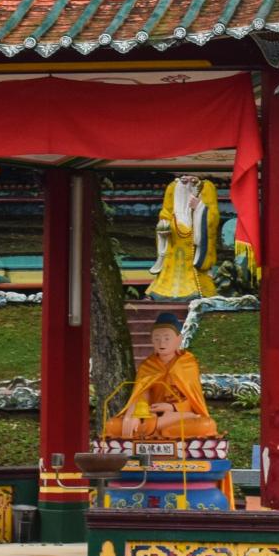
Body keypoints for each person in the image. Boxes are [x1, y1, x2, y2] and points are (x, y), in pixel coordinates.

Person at [109, 313, 219, 441]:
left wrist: (173, 407)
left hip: (180, 416)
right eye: (157, 338)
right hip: (151, 414)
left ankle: (155, 429)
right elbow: (142, 395)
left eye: (167, 338)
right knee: (112, 426)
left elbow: (193, 399)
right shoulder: (147, 366)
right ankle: (161, 430)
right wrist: (133, 415)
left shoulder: (188, 364)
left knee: (206, 425)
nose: (162, 343)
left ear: (179, 339)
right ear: (152, 341)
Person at [142, 173, 219, 300]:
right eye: (184, 179)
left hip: (193, 251)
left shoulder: (206, 187)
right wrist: (163, 227)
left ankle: (195, 292)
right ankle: (160, 293)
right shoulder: (173, 187)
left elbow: (213, 217)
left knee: (196, 283)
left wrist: (199, 208)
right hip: (173, 248)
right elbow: (165, 213)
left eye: (191, 179)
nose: (187, 181)